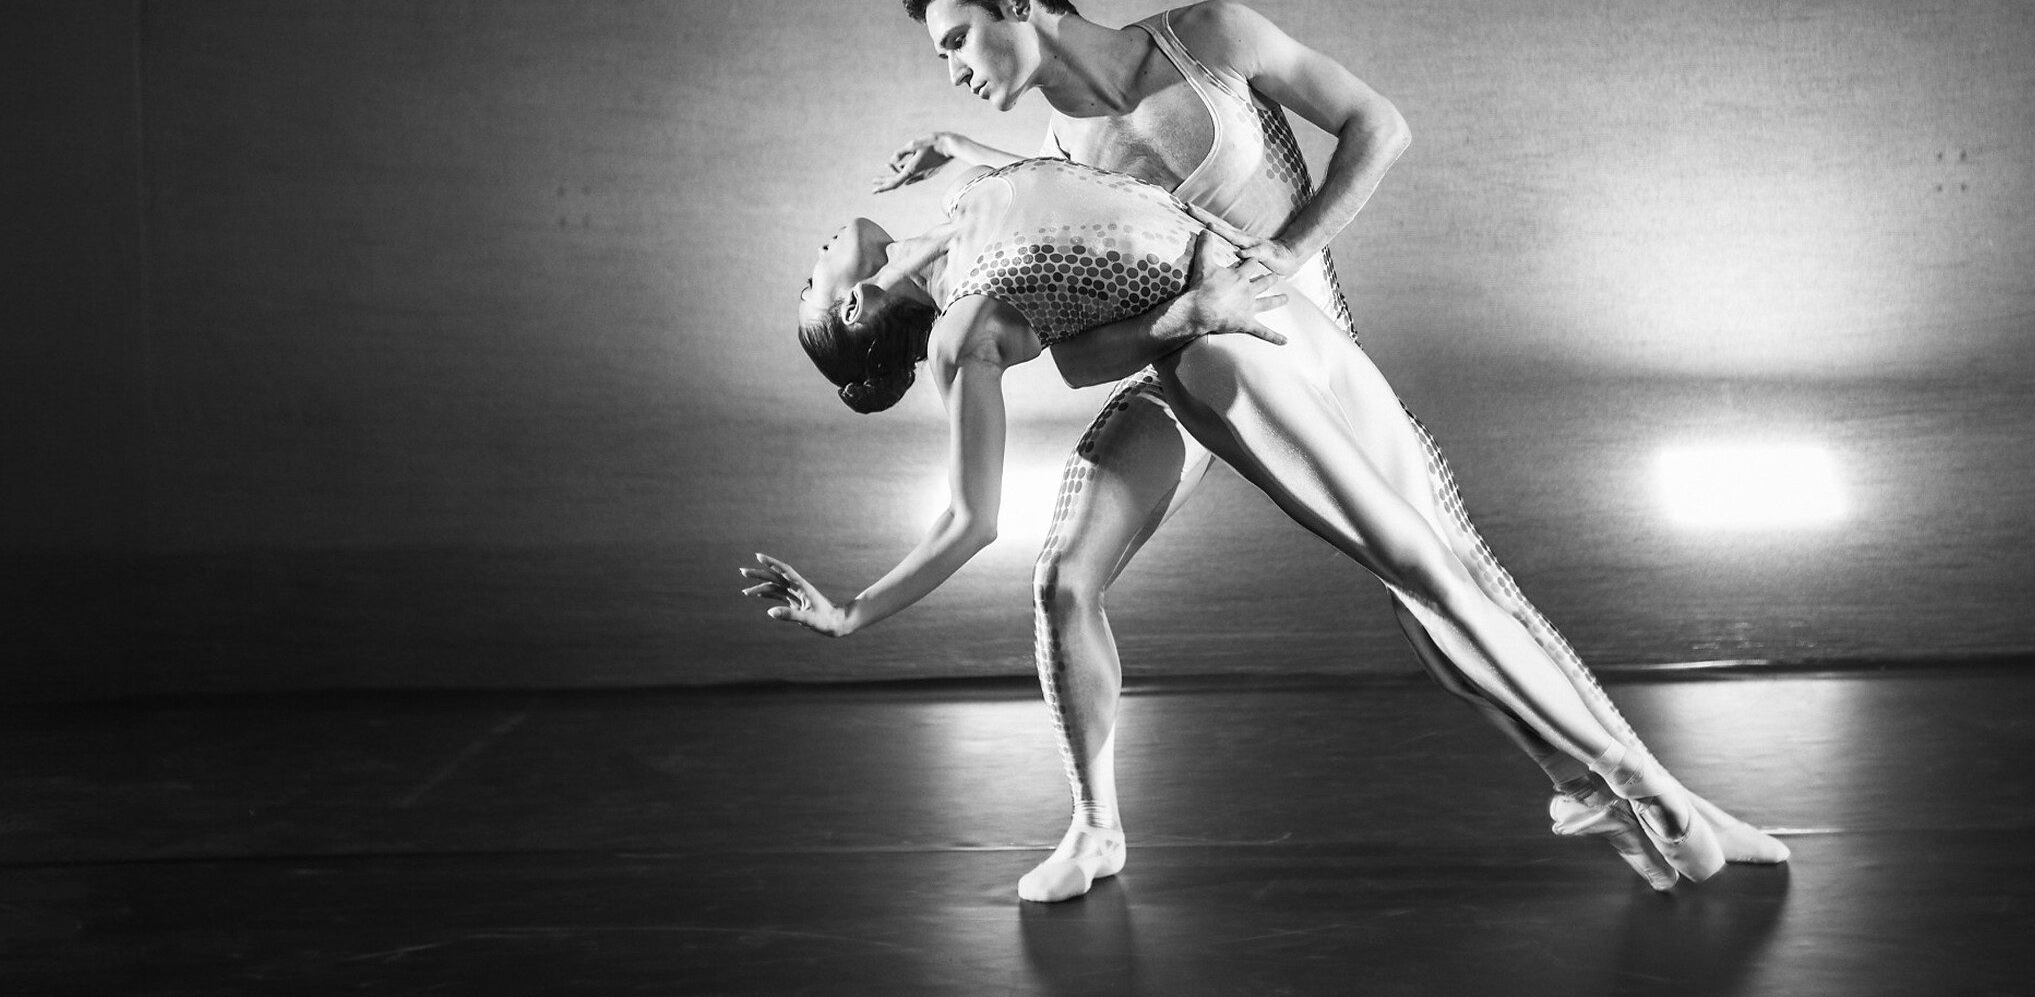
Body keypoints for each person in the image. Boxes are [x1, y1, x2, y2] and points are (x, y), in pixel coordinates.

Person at [868, 0, 1786, 899]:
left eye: (956, 41)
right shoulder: (1062, 152)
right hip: (1186, 360)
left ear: (1020, 3)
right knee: (1064, 575)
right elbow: (1078, 280)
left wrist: (1280, 257)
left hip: (1294, 345)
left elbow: (1377, 127)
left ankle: (1653, 796)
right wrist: (970, 161)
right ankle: (1095, 832)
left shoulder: (1205, 39)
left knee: (1442, 581)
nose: (953, 69)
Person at [751, 158, 1788, 902]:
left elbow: (1060, 205)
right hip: (1211, 351)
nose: (812, 259)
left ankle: (1628, 792)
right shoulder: (959, 335)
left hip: (1278, 309)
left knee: (1445, 574)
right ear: (854, 314)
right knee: (1418, 576)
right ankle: (1643, 792)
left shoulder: (958, 199)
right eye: (811, 287)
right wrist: (852, 615)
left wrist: (960, 150)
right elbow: (975, 513)